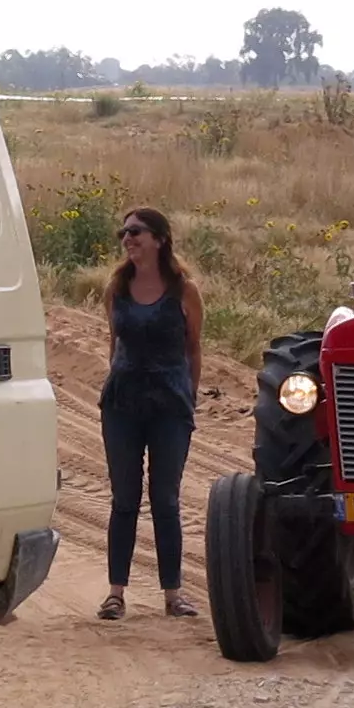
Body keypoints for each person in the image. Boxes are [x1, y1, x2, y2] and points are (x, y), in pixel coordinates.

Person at [99, 206, 205, 620]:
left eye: (136, 231)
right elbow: (114, 343)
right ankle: (115, 594)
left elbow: (193, 348)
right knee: (124, 499)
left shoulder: (184, 290)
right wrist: (115, 381)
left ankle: (172, 594)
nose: (127, 239)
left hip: (169, 406)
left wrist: (189, 396)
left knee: (165, 499)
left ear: (160, 238)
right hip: (122, 404)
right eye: (123, 232)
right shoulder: (117, 287)